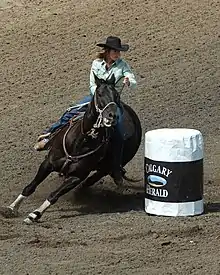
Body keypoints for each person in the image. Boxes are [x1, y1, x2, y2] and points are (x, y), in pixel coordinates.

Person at [34, 36, 137, 184]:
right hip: (96, 98)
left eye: (119, 52)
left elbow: (132, 79)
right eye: (115, 51)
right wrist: (97, 98)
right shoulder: (96, 64)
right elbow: (92, 85)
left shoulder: (123, 66)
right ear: (107, 51)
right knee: (70, 112)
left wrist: (129, 81)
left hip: (112, 102)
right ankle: (49, 136)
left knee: (119, 131)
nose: (118, 54)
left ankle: (115, 167)